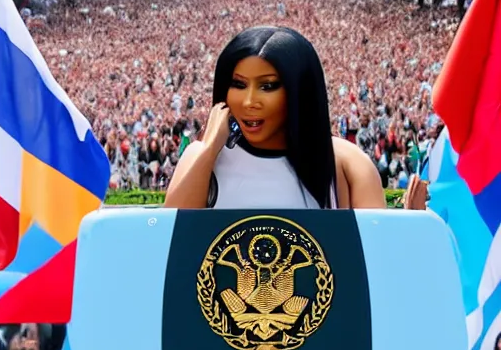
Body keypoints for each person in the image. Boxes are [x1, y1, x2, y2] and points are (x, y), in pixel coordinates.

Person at [165, 26, 429, 212]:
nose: (249, 102)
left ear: (299, 90)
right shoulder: (201, 158)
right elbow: (168, 242)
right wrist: (208, 150)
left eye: (268, 86)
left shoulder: (347, 163)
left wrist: (412, 228)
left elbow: (374, 261)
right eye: (238, 84)